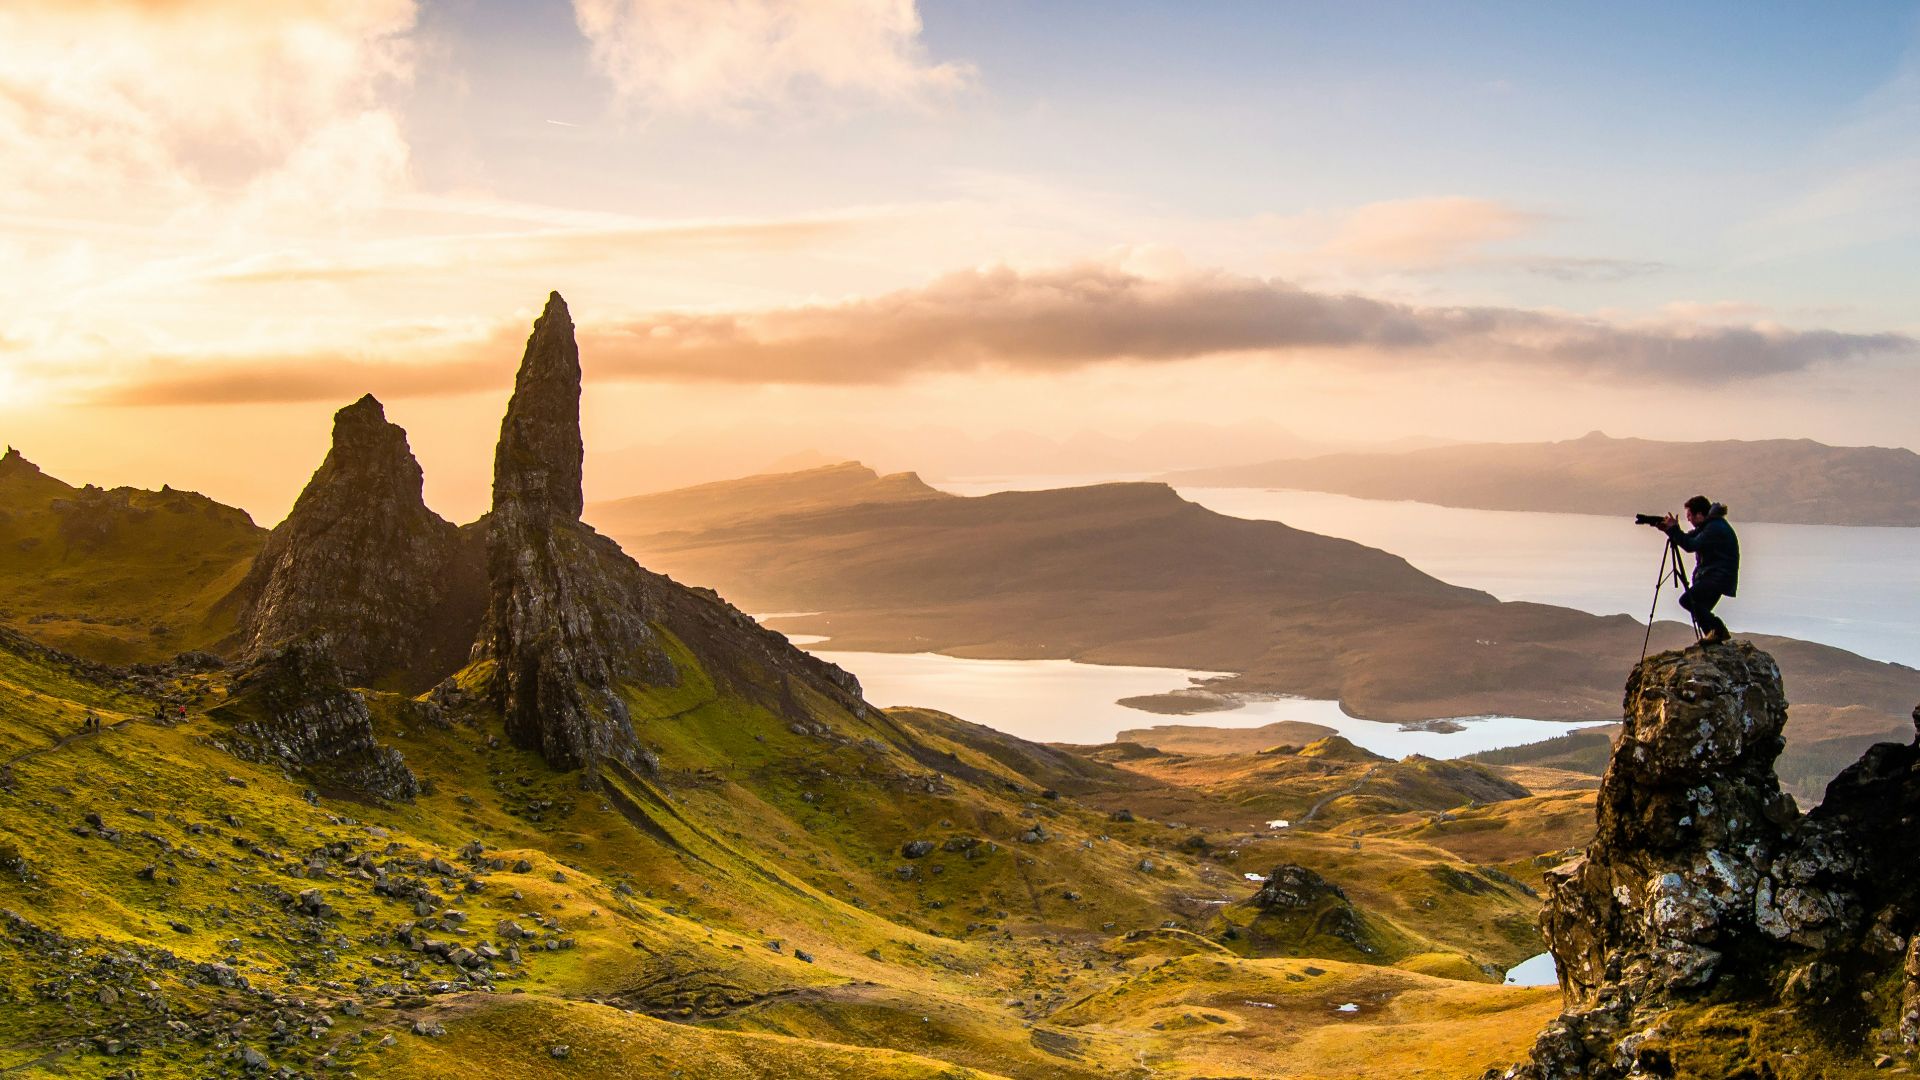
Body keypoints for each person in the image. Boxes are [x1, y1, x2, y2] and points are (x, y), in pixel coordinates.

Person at [1661, 495, 1739, 645]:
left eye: (1690, 515)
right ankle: (1713, 639)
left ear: (1699, 514)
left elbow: (1690, 545)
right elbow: (1687, 538)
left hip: (1717, 577)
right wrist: (1670, 530)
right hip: (1718, 576)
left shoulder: (1714, 528)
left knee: (1687, 601)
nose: (1688, 519)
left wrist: (1674, 530)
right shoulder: (1710, 525)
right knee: (1699, 609)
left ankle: (1718, 630)